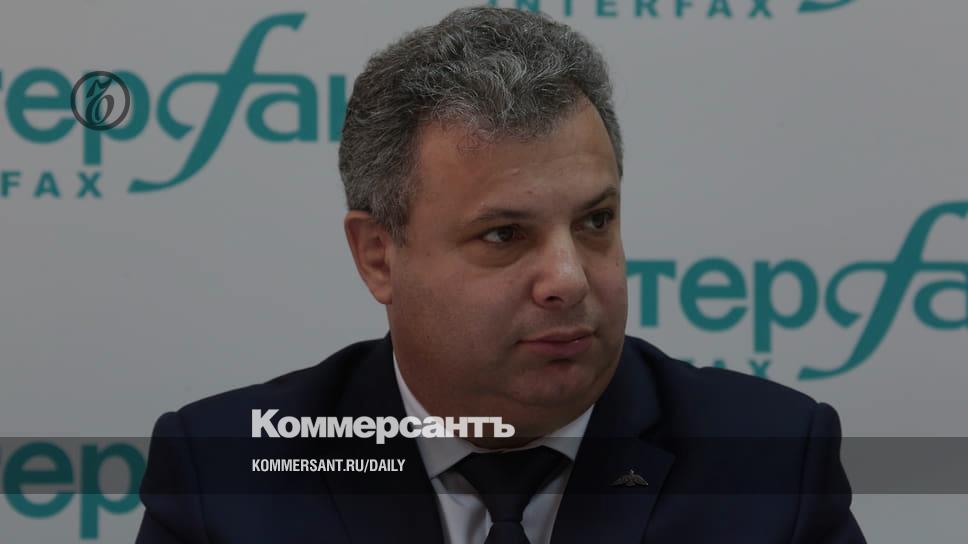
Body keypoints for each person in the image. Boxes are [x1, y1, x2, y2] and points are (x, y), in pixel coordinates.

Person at [136, 6, 866, 543]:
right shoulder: (224, 475)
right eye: (504, 235)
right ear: (379, 256)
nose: (568, 280)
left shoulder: (771, 462)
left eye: (595, 222)